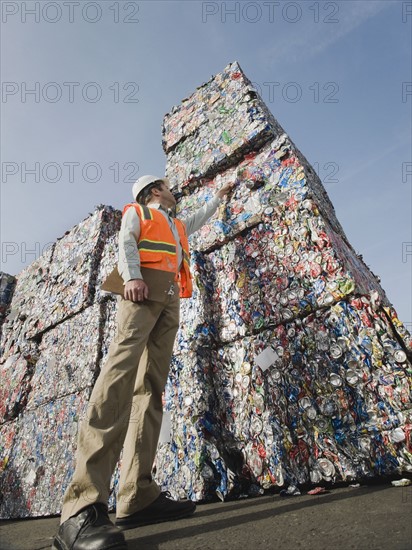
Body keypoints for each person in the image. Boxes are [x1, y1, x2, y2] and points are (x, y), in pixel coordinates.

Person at [52, 175, 233, 550]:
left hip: (169, 296)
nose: (174, 191)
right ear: (154, 191)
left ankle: (137, 495)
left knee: (151, 389)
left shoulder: (177, 223)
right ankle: (81, 505)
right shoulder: (137, 211)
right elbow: (126, 242)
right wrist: (132, 276)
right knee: (119, 376)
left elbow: (199, 217)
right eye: (169, 186)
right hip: (142, 288)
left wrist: (220, 198)